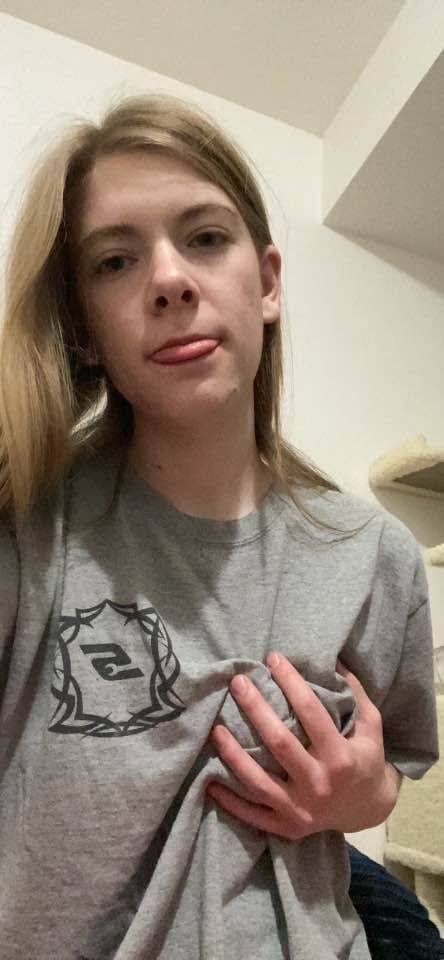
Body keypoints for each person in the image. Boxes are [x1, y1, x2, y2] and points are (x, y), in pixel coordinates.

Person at [0, 93, 439, 960]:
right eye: (115, 260)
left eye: (204, 237)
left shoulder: (376, 555)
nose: (170, 279)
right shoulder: (27, 529)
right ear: (83, 330)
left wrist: (366, 798)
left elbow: (396, 771)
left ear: (266, 283)